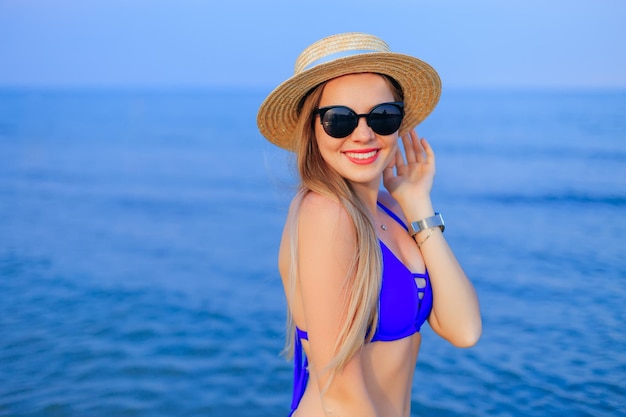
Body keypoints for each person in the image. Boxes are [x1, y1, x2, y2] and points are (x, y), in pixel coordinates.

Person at [257, 32, 482, 417]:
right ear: (311, 129)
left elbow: (463, 329)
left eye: (382, 116)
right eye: (339, 120)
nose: (363, 134)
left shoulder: (393, 211)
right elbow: (340, 390)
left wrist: (417, 204)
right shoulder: (324, 213)